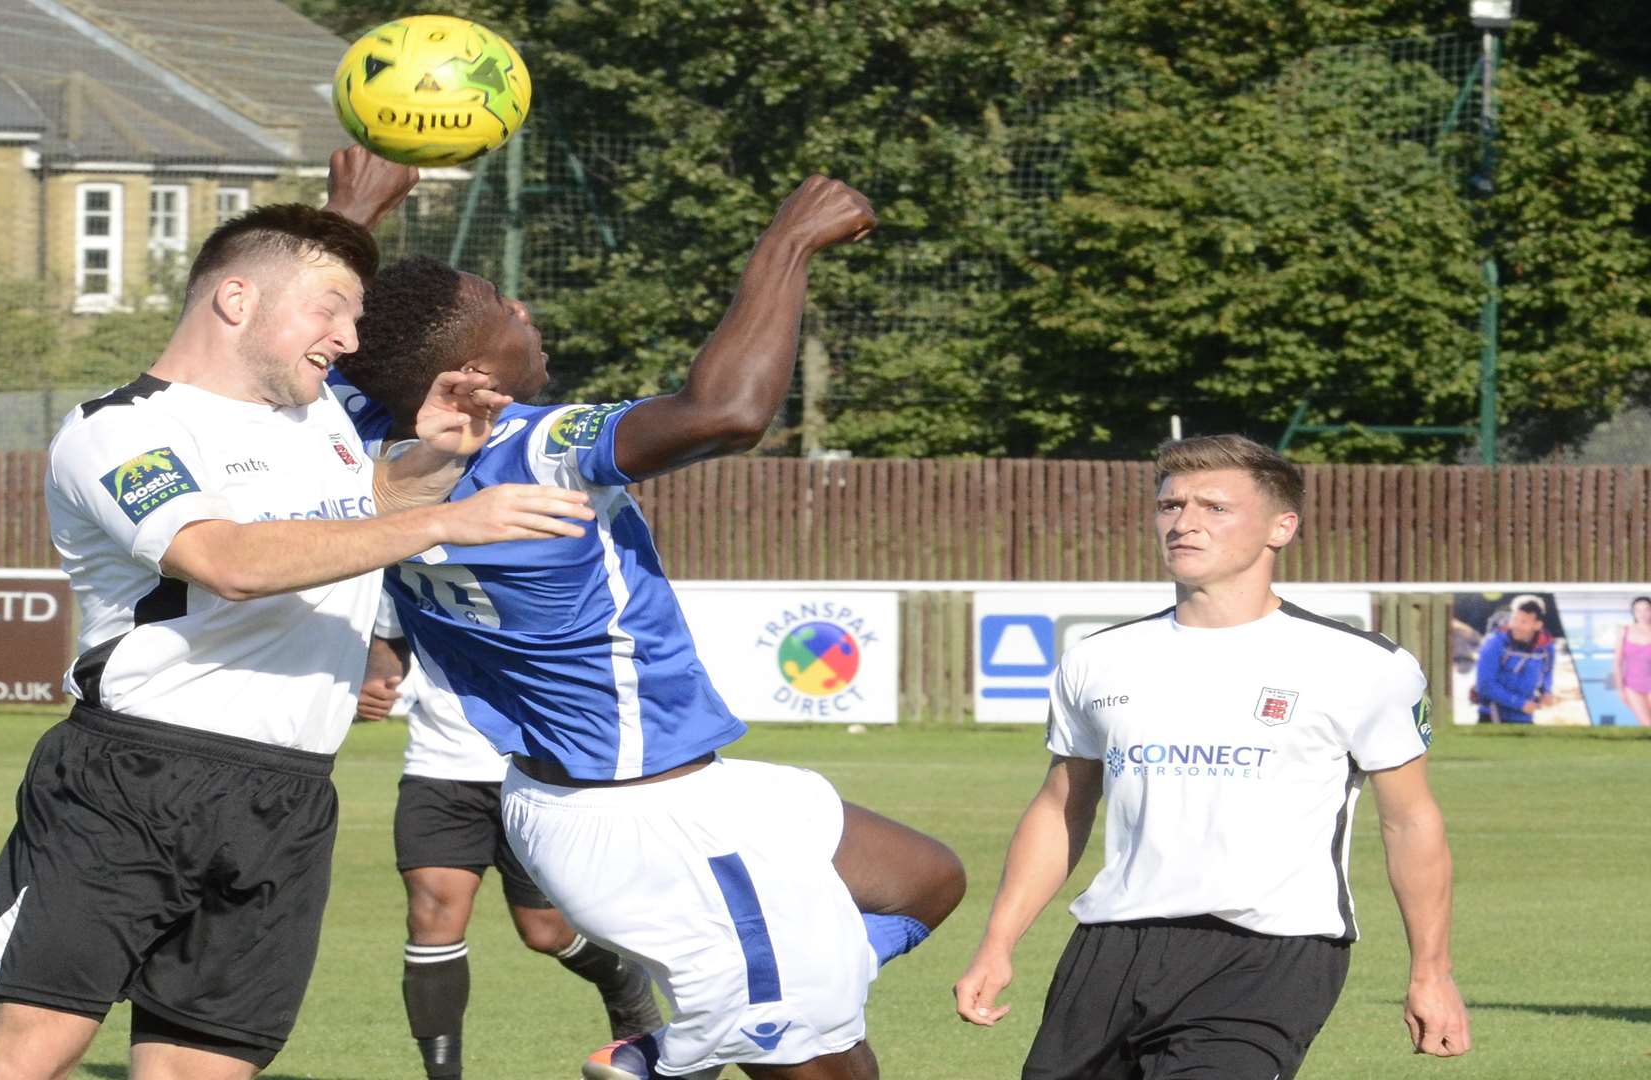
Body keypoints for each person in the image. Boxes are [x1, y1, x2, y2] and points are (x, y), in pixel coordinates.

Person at [0, 147, 594, 1080]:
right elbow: (228, 561)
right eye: (332, 314)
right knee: (31, 1047)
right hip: (137, 777)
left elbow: (351, 515)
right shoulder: (120, 428)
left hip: (288, 794)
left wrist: (431, 464)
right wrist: (453, 517)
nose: (350, 340)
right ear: (235, 302)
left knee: (205, 1065)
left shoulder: (315, 415)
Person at [329, 174, 966, 1080]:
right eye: (501, 308)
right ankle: (712, 1038)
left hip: (619, 794)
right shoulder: (530, 451)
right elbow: (727, 411)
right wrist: (785, 245)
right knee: (835, 1071)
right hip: (647, 818)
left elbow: (318, 349)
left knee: (925, 879)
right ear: (468, 382)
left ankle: (699, 1037)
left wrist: (350, 214)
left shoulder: (357, 439)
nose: (522, 307)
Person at [953, 434, 1470, 1078]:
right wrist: (998, 943)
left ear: (1281, 527)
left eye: (1214, 507)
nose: (1185, 522)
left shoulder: (1365, 666)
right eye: (1171, 505)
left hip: (1270, 956)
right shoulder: (1096, 659)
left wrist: (1431, 973)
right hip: (1111, 948)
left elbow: (1411, 821)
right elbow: (1061, 807)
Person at [356, 597, 662, 1080]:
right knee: (432, 916)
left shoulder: (543, 557)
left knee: (545, 930)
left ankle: (623, 983)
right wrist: (373, 682)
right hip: (438, 771)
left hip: (538, 771)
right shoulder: (411, 559)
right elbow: (389, 641)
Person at [1474, 597, 1556, 724]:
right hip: (1492, 716)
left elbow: (1547, 672)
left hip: (1525, 718)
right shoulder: (1494, 643)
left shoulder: (1546, 648)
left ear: (1537, 625)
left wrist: (1546, 691)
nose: (1516, 625)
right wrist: (1520, 703)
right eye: (1514, 619)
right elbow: (1485, 685)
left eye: (1523, 622)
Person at [1613, 596, 1651, 728]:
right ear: (1633, 612)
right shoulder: (1624, 631)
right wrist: (1620, 689)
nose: (1643, 614)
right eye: (1638, 610)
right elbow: (1617, 663)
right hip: (1631, 686)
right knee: (1647, 725)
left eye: (1647, 610)